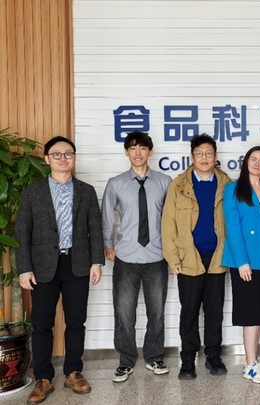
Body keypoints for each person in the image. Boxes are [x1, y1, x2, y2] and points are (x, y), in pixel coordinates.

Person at [16, 136, 104, 404]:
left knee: (76, 322)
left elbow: (95, 229)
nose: (63, 158)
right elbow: (23, 232)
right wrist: (24, 268)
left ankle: (73, 372)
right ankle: (43, 378)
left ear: (74, 158)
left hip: (77, 264)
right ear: (47, 159)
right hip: (42, 266)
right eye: (57, 154)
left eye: (68, 154)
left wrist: (96, 262)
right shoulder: (33, 192)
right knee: (42, 323)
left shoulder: (86, 191)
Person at [102, 131, 172, 382]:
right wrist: (108, 245)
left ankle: (154, 357)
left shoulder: (165, 182)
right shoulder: (116, 183)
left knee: (157, 312)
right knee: (124, 313)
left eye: (142, 148)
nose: (138, 153)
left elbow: (172, 219)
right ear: (126, 152)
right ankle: (126, 361)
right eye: (133, 148)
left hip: (157, 257)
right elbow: (107, 217)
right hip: (126, 258)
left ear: (150, 151)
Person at [161, 134, 231, 380]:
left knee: (214, 311)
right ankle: (188, 360)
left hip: (217, 257)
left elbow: (233, 222)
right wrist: (173, 258)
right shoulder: (179, 185)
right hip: (188, 257)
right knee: (189, 311)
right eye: (199, 154)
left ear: (215, 156)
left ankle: (213, 356)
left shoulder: (226, 184)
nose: (204, 158)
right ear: (192, 157)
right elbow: (168, 224)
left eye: (208, 153)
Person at [222, 146, 260, 384]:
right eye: (253, 159)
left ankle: (254, 358)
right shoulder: (233, 188)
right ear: (246, 162)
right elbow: (232, 227)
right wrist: (242, 262)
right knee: (250, 313)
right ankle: (249, 365)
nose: (257, 163)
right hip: (246, 259)